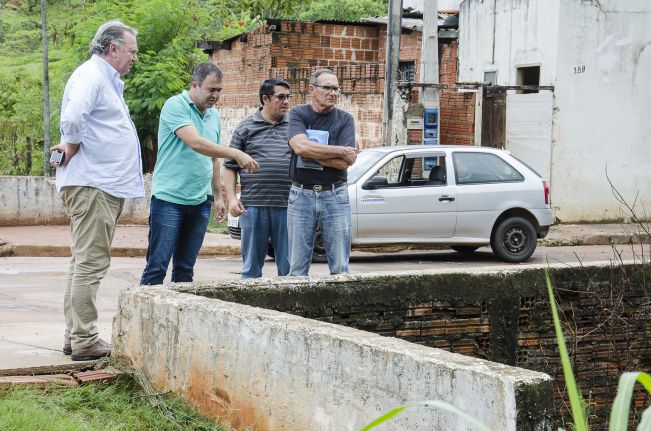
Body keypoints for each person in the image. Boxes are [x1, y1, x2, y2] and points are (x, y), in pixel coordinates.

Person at [50, 20, 143, 361]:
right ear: (113, 48)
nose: (135, 57)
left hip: (98, 184)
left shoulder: (105, 79)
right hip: (93, 184)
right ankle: (85, 339)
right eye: (131, 51)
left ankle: (74, 335)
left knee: (82, 262)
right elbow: (73, 119)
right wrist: (71, 145)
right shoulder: (92, 76)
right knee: (90, 263)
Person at [140, 62, 259, 286]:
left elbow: (212, 157)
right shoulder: (176, 105)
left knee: (186, 270)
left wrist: (217, 196)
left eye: (219, 90)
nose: (215, 95)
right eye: (211, 89)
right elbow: (196, 143)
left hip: (200, 201)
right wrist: (235, 153)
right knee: (157, 266)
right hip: (169, 199)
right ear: (195, 85)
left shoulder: (213, 115)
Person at [286, 69, 358, 276]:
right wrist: (340, 150)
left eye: (336, 88)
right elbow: (299, 148)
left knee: (340, 267)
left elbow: (346, 163)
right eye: (327, 87)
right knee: (297, 268)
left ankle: (341, 307)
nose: (333, 93)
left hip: (335, 194)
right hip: (301, 194)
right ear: (312, 89)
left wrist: (310, 151)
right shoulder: (298, 113)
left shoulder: (345, 119)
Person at [223, 78, 292, 278]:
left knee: (289, 269)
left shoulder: (295, 127)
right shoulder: (245, 128)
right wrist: (232, 199)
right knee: (251, 268)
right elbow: (229, 167)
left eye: (288, 97)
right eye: (281, 97)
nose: (286, 101)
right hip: (252, 207)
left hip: (287, 205)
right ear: (265, 99)